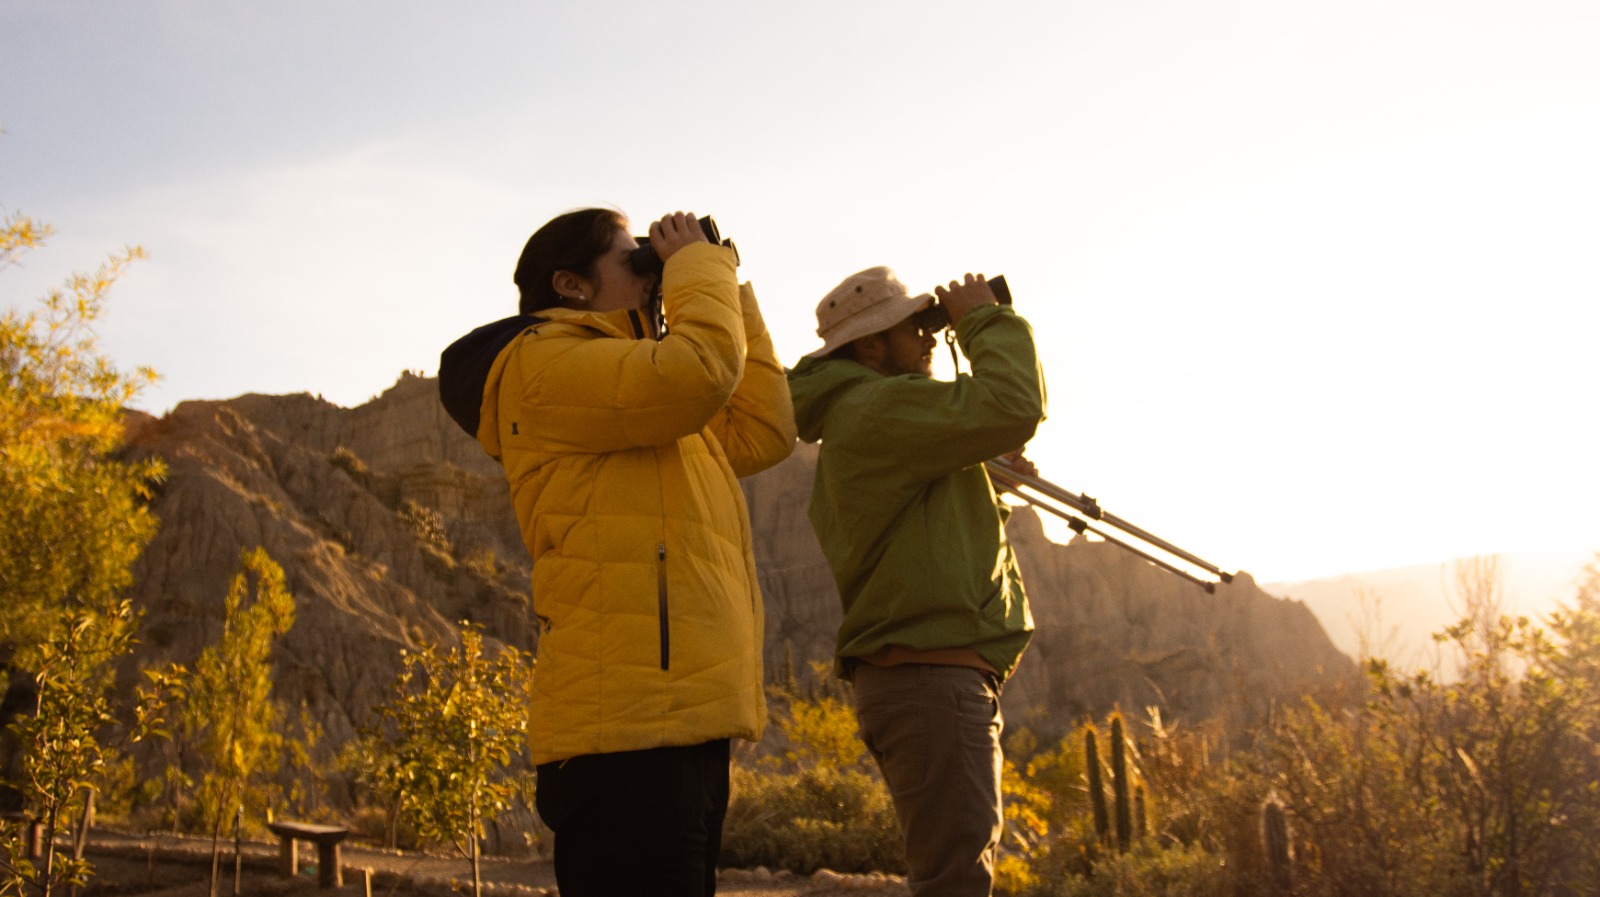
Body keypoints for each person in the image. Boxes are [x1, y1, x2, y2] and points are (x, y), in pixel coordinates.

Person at [438, 208, 796, 896]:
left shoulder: (639, 390)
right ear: (569, 283)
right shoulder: (543, 363)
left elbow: (763, 430)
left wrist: (721, 280)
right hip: (624, 733)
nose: (647, 269)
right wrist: (698, 270)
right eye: (630, 258)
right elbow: (699, 371)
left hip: (678, 719)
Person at [786, 266, 1046, 896]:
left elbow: (927, 534)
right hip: (931, 679)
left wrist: (986, 486)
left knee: (954, 872)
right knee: (955, 883)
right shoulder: (879, 406)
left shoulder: (871, 413)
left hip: (930, 677)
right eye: (914, 328)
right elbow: (1014, 404)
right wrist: (983, 317)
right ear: (870, 346)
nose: (931, 339)